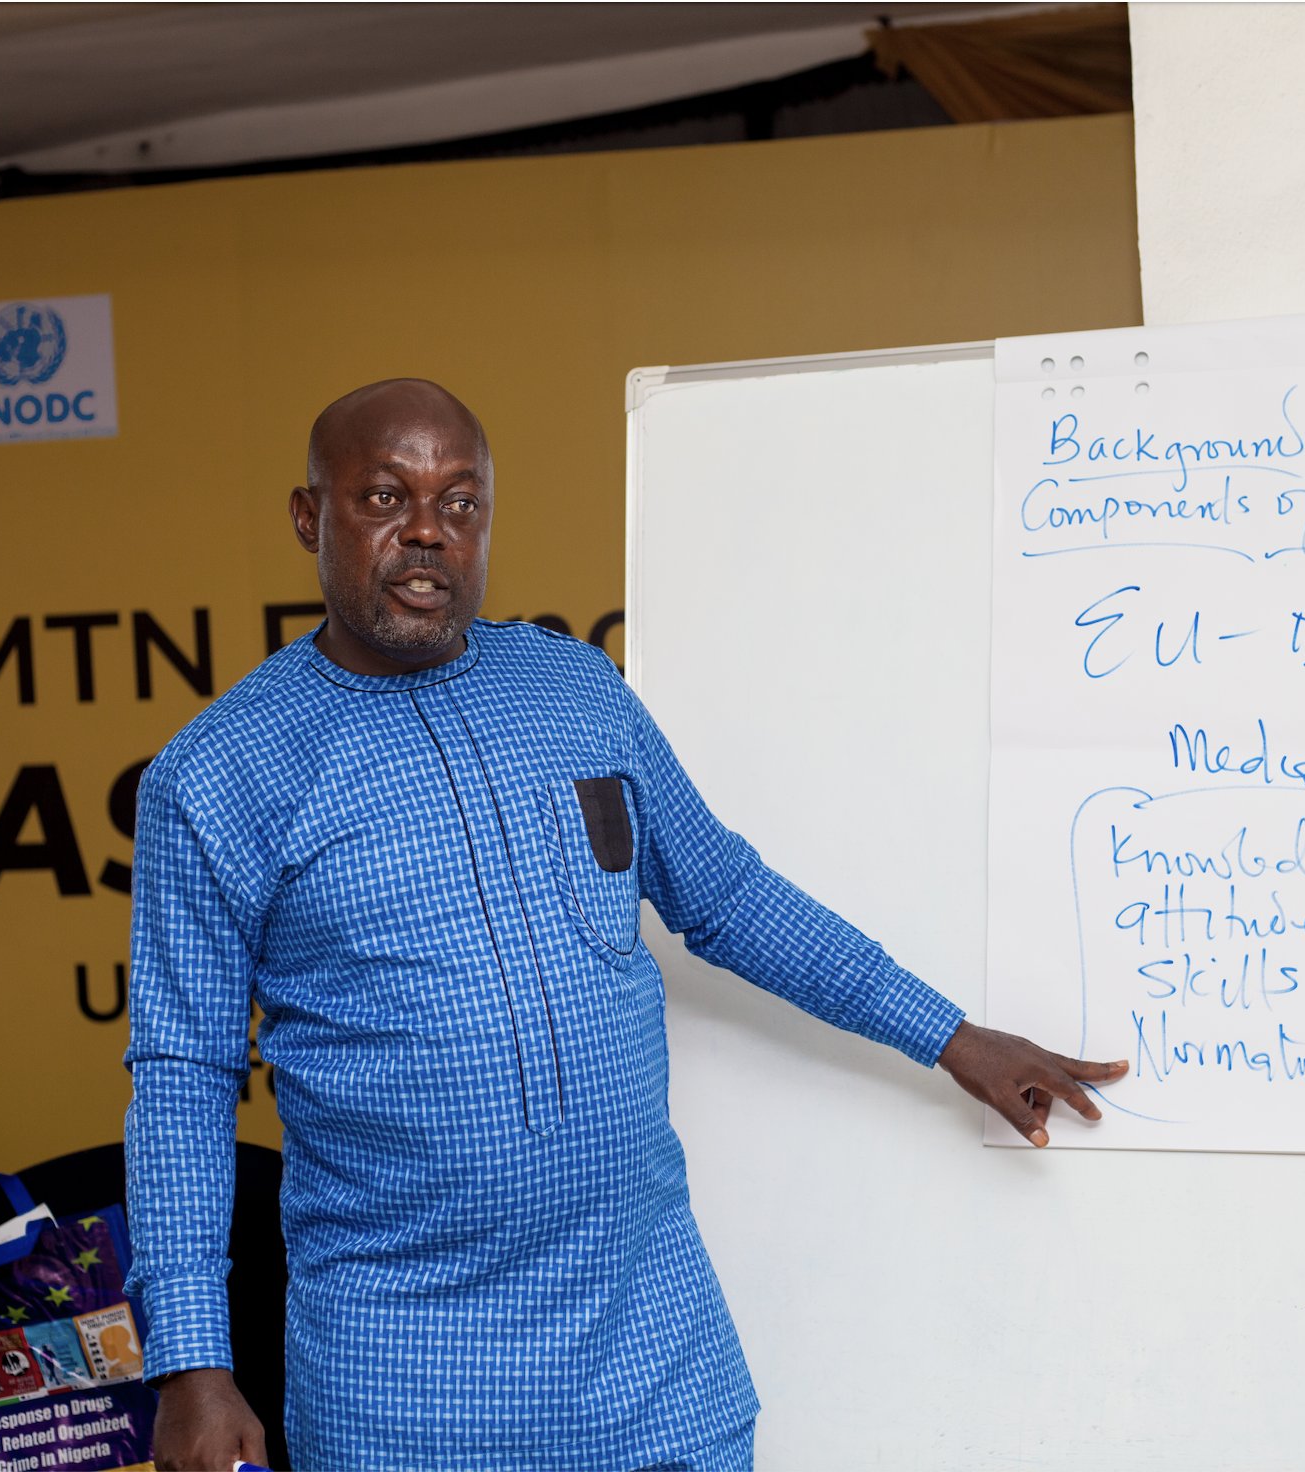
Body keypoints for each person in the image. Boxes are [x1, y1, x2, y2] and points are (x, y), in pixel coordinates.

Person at [124, 379, 1127, 1471]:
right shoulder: (217, 775)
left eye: (460, 501)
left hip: (652, 1354)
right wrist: (192, 1364)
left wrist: (948, 1033)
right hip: (408, 1379)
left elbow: (727, 897)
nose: (427, 531)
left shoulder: (577, 693)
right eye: (383, 496)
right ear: (309, 517)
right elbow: (183, 1075)